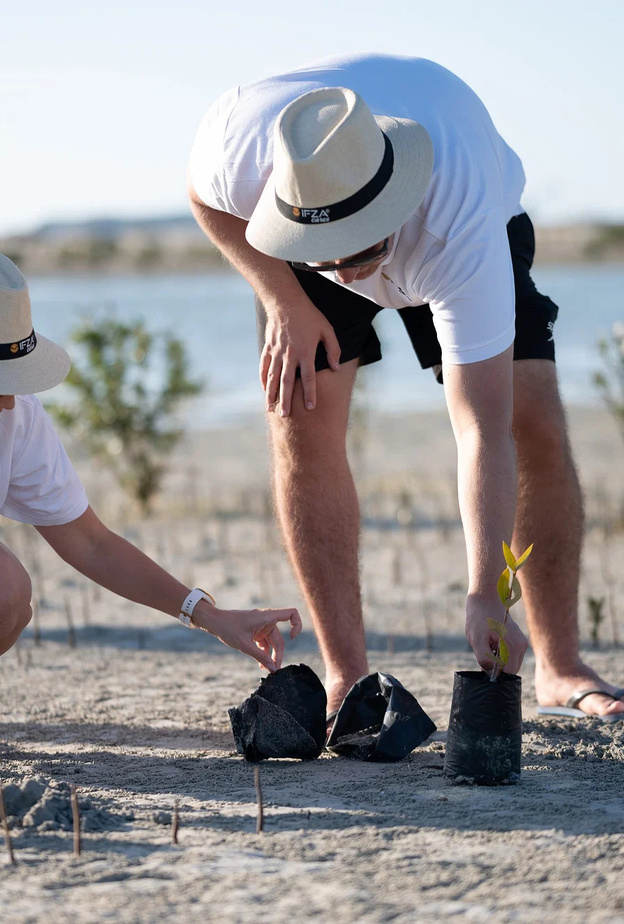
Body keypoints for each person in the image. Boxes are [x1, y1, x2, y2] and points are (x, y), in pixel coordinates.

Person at [186, 52, 624, 722]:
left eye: (360, 253)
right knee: (298, 416)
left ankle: (561, 667)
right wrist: (285, 297)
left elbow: (481, 428)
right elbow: (202, 199)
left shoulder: (459, 223)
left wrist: (484, 592)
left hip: (452, 224)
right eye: (327, 260)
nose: (347, 276)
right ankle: (347, 676)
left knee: (527, 416)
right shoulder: (239, 153)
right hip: (307, 225)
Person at [0, 254, 301, 671]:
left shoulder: (17, 413)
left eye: (14, 377)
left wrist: (211, 617)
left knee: (8, 596)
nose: (9, 399)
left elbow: (92, 544)